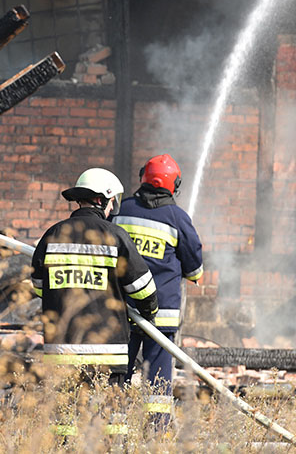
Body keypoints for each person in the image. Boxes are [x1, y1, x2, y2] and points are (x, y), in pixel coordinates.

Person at [31, 168, 158, 438]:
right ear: (103, 200)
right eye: (113, 201)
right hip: (107, 352)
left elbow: (39, 286)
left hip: (61, 350)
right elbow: (144, 290)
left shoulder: (52, 236)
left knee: (65, 421)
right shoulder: (116, 236)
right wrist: (148, 313)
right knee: (111, 423)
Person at [112, 154, 203, 430]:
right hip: (161, 316)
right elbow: (195, 269)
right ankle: (157, 432)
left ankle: (115, 429)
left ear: (143, 176)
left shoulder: (122, 211)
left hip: (124, 311)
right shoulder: (177, 218)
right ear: (174, 185)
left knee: (118, 374)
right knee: (159, 379)